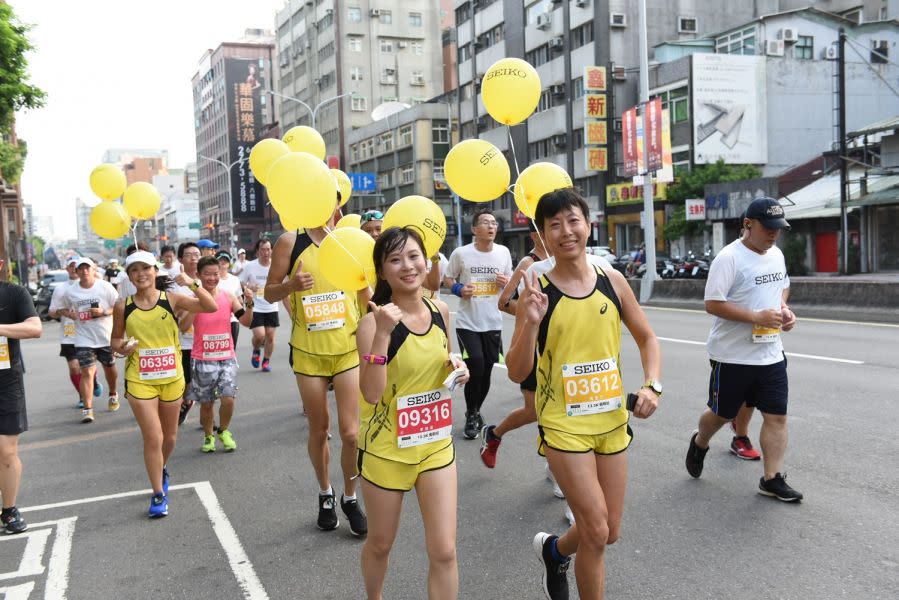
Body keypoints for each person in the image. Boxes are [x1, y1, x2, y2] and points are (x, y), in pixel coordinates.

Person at [506, 189, 661, 600]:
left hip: (611, 421)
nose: (565, 231)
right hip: (563, 424)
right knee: (594, 529)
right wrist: (532, 323)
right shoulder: (536, 289)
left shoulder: (612, 279)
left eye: (572, 220)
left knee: (609, 531)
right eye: (553, 225)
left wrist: (652, 384)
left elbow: (647, 338)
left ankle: (554, 552)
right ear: (542, 235)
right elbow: (517, 370)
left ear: (588, 225)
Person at [356, 227, 468, 600]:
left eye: (414, 256)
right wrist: (383, 335)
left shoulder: (441, 310)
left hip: (435, 446)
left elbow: (443, 360)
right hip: (387, 451)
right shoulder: (373, 323)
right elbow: (371, 393)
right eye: (395, 259)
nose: (408, 266)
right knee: (381, 544)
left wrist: (456, 368)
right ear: (383, 272)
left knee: (444, 550)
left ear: (426, 260)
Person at [685, 197, 802, 501]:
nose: (774, 234)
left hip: (771, 353)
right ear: (748, 225)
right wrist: (755, 316)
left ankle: (772, 478)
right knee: (722, 415)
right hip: (732, 356)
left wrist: (782, 308)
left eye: (779, 228)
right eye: (768, 228)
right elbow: (713, 303)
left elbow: (782, 285)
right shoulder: (729, 258)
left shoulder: (776, 254)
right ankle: (700, 442)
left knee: (776, 416)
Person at [265, 194, 368, 535]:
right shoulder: (289, 241)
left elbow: (366, 297)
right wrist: (292, 285)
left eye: (333, 200)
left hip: (347, 351)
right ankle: (325, 492)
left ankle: (350, 498)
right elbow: (269, 293)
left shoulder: (350, 241)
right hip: (309, 353)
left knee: (352, 433)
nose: (328, 206)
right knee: (319, 429)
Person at [111, 251, 217, 518]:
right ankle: (158, 493)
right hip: (140, 380)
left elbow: (210, 306)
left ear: (155, 270)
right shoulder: (123, 305)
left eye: (145, 268)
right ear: (129, 275)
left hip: (171, 377)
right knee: (154, 437)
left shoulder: (171, 298)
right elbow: (115, 341)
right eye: (134, 270)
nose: (141, 274)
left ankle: (160, 467)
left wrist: (190, 282)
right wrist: (124, 348)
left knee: (169, 438)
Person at [443, 209, 512, 439]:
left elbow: (510, 282)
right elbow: (448, 278)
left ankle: (475, 409)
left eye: (494, 223)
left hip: (493, 322)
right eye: (485, 223)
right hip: (467, 322)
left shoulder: (503, 252)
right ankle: (472, 414)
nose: (491, 227)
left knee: (488, 369)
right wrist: (459, 289)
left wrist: (506, 282)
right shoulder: (461, 253)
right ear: (475, 229)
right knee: (477, 366)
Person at [180, 256, 254, 453]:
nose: (212, 278)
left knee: (228, 399)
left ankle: (224, 430)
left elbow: (246, 321)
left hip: (226, 356)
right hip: (202, 358)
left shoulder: (228, 296)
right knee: (207, 404)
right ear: (198, 275)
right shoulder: (194, 298)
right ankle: (208, 436)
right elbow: (183, 327)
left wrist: (250, 303)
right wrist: (197, 303)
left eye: (216, 274)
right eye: (207, 275)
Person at [0, 258, 42, 534]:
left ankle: (9, 510)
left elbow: (35, 328)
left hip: (6, 382)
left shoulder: (14, 293)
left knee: (6, 451)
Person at [58, 257, 120, 423]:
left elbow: (119, 306)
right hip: (83, 338)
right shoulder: (71, 291)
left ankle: (113, 393)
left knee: (109, 368)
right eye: (81, 269)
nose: (84, 271)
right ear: (76, 272)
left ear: (94, 270)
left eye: (88, 268)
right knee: (86, 372)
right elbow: (61, 308)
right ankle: (88, 409)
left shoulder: (105, 287)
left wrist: (104, 312)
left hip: (105, 336)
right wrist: (69, 313)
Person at [49, 257, 102, 406]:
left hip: (88, 330)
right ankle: (82, 396)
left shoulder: (94, 285)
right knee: (74, 367)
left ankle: (93, 381)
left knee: (86, 367)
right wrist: (64, 312)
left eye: (76, 266)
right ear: (68, 269)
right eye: (72, 266)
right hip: (69, 331)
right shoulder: (61, 289)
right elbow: (52, 312)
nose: (74, 269)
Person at [239, 238, 279, 372]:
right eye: (263, 249)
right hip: (255, 307)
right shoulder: (250, 266)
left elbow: (282, 284)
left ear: (271, 250)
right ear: (257, 251)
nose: (266, 252)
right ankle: (256, 349)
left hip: (271, 306)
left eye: (268, 249)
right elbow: (240, 283)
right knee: (260, 335)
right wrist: (249, 286)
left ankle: (266, 361)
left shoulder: (276, 266)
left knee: (271, 336)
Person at [175, 242, 202, 425]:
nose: (194, 258)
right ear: (181, 260)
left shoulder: (209, 279)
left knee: (211, 381)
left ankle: (207, 418)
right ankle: (187, 401)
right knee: (187, 382)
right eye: (189, 255)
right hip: (185, 341)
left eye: (197, 254)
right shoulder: (175, 286)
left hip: (208, 341)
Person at [216, 251, 244, 346]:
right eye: (220, 260)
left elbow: (239, 298)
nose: (223, 262)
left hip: (232, 320)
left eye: (226, 260)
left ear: (229, 264)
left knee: (232, 348)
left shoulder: (235, 280)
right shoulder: (212, 279)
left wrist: (242, 304)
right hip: (216, 319)